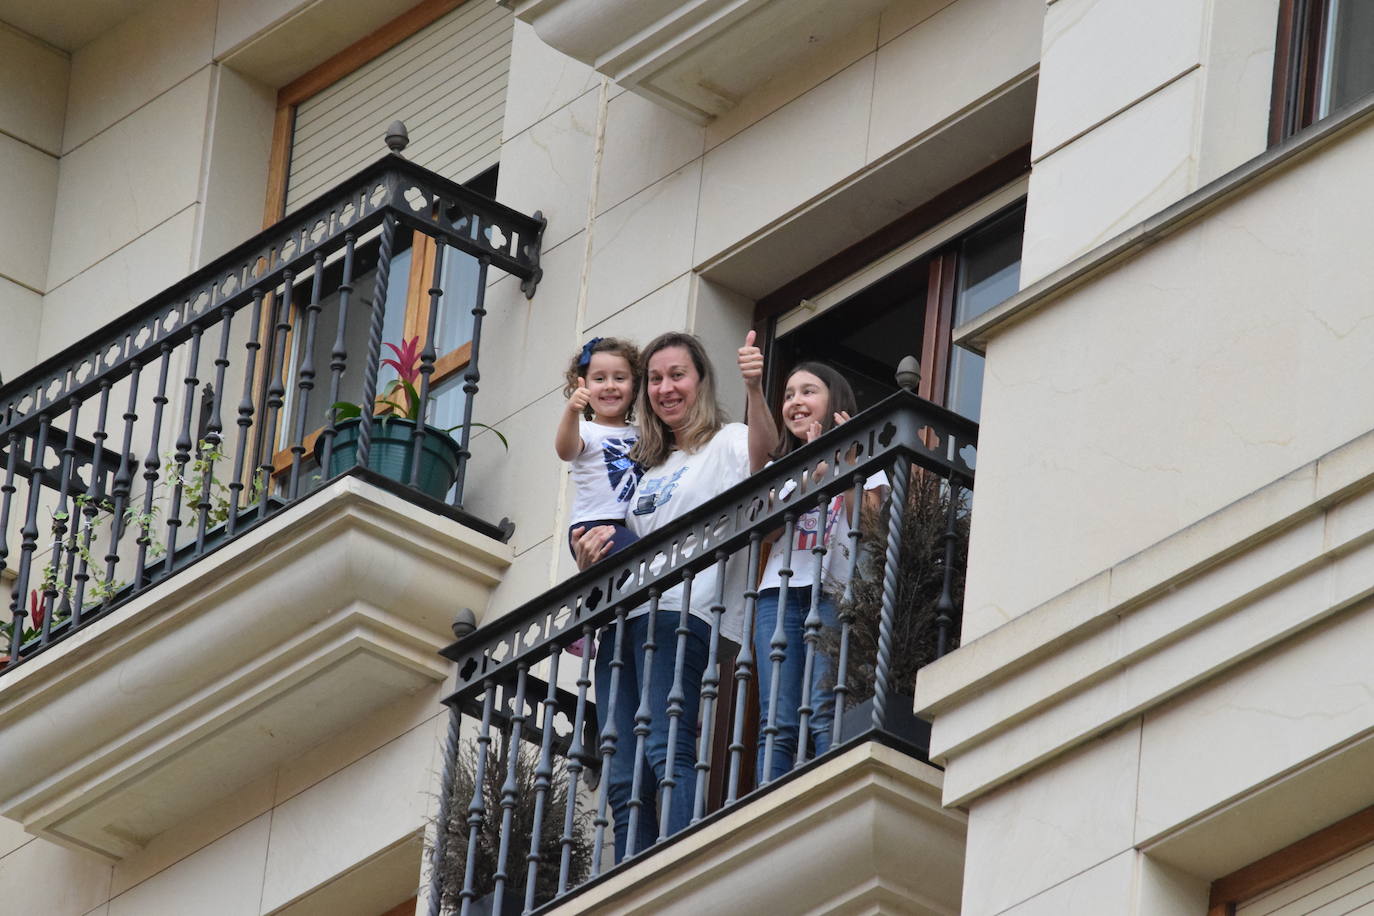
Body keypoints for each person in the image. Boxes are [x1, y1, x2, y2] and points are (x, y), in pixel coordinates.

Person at [571, 330, 776, 862]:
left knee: (666, 746)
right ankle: (628, 872)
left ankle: (672, 858)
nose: (666, 388)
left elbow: (764, 455)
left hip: (685, 610)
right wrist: (588, 554)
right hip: (625, 616)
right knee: (620, 769)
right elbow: (612, 530)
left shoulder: (728, 440)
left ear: (701, 382)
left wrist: (755, 388)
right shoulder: (647, 467)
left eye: (677, 375)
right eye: (656, 379)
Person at [754, 363, 887, 783]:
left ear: (835, 401)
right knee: (775, 721)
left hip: (833, 593)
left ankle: (828, 791)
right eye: (789, 394)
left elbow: (867, 523)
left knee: (825, 705)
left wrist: (842, 466)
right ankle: (767, 809)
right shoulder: (785, 472)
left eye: (808, 391)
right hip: (778, 594)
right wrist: (809, 478)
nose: (795, 401)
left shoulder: (867, 461)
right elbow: (765, 531)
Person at [553, 336, 643, 557]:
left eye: (620, 378)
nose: (610, 386)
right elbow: (565, 451)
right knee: (640, 562)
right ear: (583, 385)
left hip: (631, 524)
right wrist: (571, 411)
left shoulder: (643, 433)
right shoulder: (587, 430)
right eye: (599, 378)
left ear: (635, 385)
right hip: (594, 525)